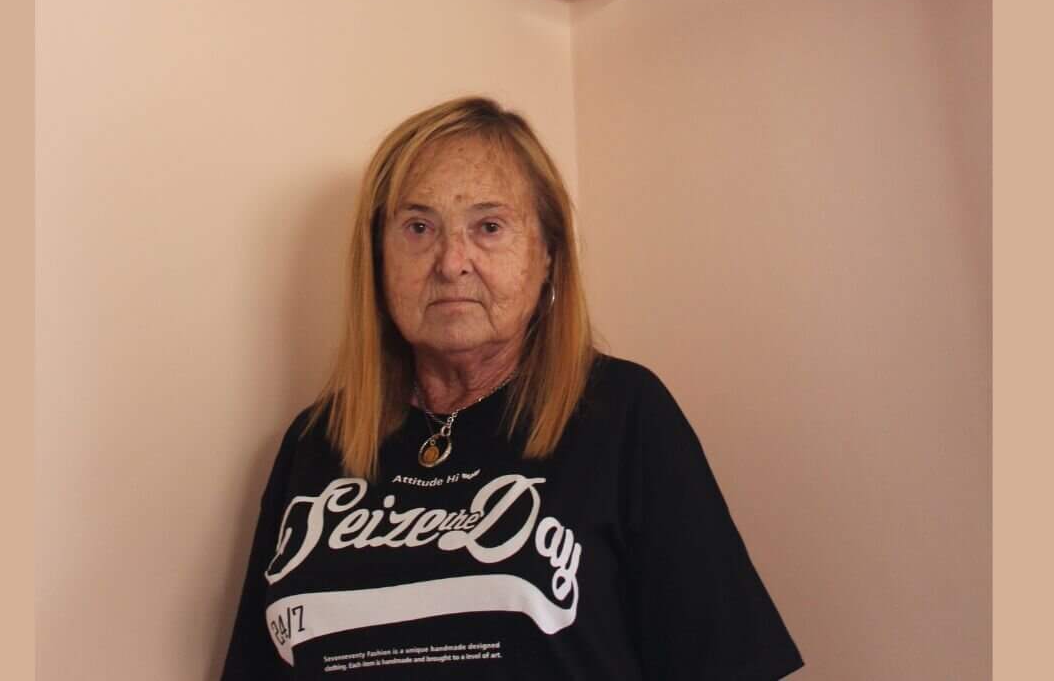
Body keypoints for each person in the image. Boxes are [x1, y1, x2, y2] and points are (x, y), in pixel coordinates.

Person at [220, 97, 803, 679]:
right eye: (418, 227)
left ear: (548, 255)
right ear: (378, 258)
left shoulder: (624, 415)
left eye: (489, 226)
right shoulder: (315, 444)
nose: (451, 262)